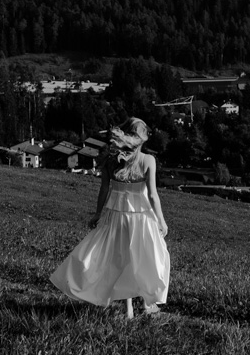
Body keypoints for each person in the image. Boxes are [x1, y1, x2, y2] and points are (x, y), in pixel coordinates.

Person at [50, 117, 171, 318]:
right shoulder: (148, 161)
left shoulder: (108, 160)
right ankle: (148, 305)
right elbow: (152, 195)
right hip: (140, 217)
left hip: (116, 215)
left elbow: (104, 190)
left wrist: (98, 213)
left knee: (120, 259)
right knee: (143, 259)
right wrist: (161, 220)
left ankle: (128, 309)